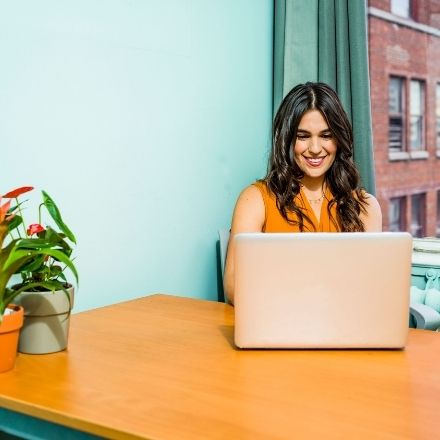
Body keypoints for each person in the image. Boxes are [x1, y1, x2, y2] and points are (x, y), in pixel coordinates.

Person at [223, 82, 382, 305]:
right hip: (276, 323)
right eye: (303, 136)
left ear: (339, 139)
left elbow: (371, 288)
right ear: (288, 139)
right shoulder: (255, 200)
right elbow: (233, 287)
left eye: (326, 135)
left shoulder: (365, 206)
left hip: (344, 329)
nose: (315, 148)